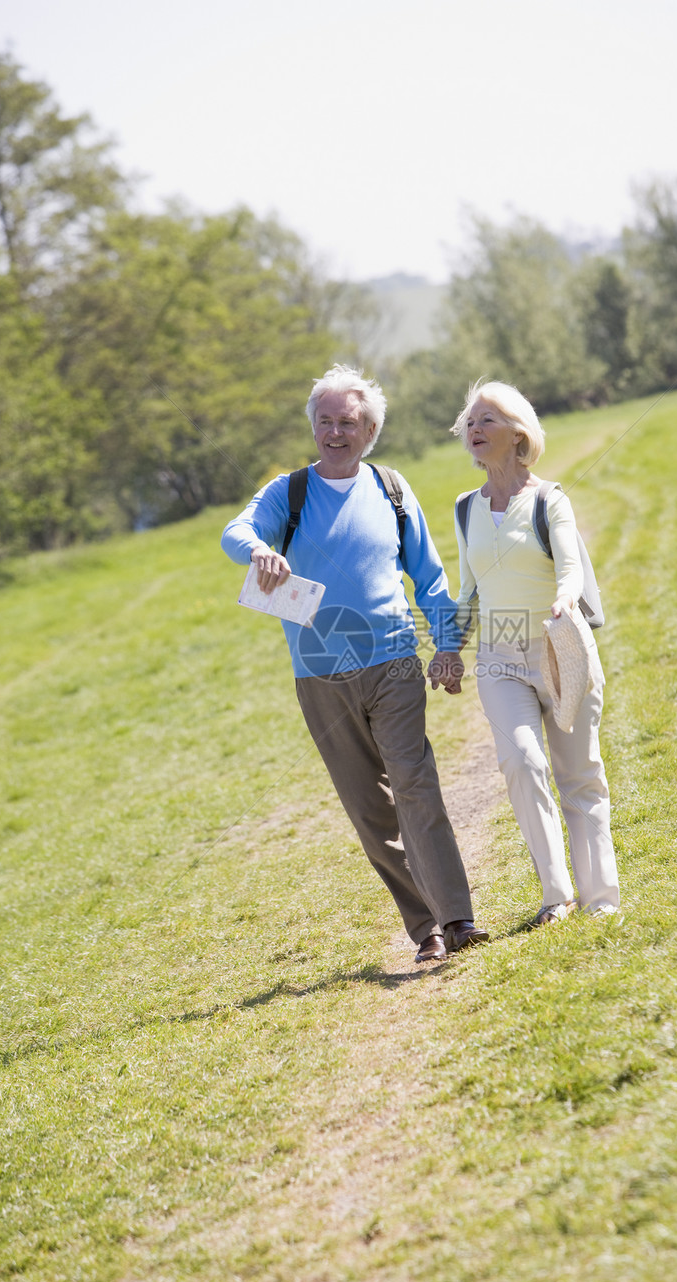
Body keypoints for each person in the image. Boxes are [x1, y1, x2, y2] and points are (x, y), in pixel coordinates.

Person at [221, 364, 489, 964]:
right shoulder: (286, 494)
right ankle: (426, 928)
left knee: (416, 788)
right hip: (318, 677)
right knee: (371, 811)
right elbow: (234, 533)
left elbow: (429, 577)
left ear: (369, 431)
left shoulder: (391, 490)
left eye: (348, 422)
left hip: (393, 663)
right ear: (313, 426)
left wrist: (446, 646)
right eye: (325, 421)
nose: (335, 432)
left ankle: (458, 916)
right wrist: (262, 550)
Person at [451, 379, 620, 924]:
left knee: (579, 776)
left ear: (518, 434)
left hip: (559, 648)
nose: (475, 429)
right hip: (499, 659)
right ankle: (556, 896)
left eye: (488, 420)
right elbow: (467, 589)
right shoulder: (464, 509)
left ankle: (601, 899)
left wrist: (566, 595)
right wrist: (449, 648)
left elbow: (569, 564)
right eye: (470, 421)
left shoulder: (550, 500)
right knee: (521, 763)